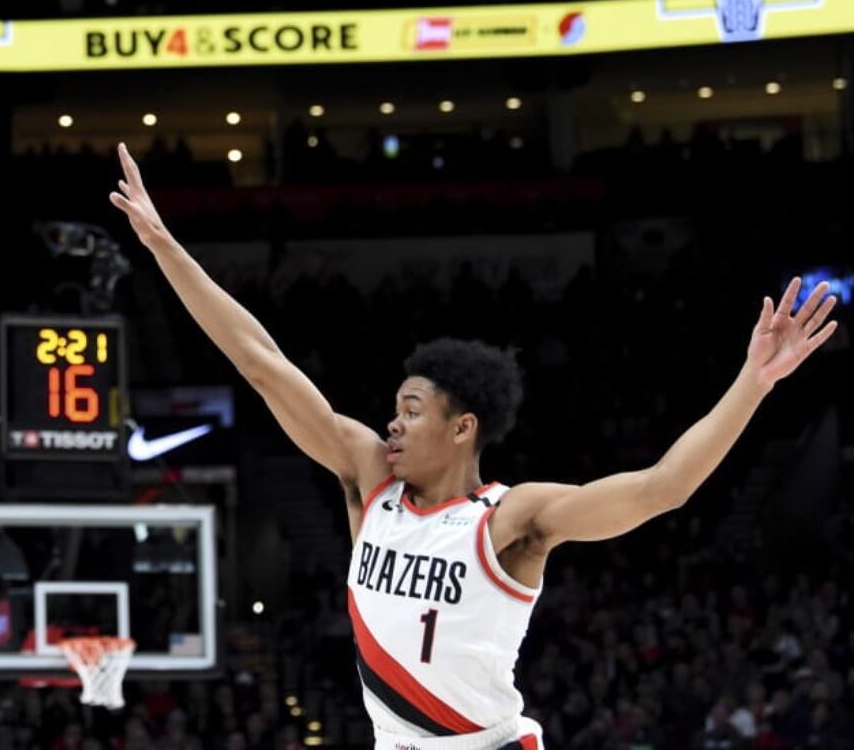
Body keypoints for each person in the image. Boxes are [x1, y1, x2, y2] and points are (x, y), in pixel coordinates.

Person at [107, 142, 838, 750]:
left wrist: (754, 380)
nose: (390, 425)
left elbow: (662, 487)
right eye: (393, 409)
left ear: (464, 428)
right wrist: (165, 246)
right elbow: (260, 361)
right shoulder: (369, 479)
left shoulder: (510, 519)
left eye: (410, 410)